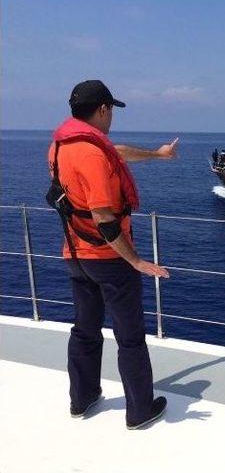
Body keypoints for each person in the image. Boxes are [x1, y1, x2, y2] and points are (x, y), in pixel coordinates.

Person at [47, 80, 177, 430]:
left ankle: (82, 399)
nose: (111, 118)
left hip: (75, 255)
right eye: (111, 110)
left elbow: (116, 151)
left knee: (85, 330)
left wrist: (158, 155)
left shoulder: (63, 145)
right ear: (103, 109)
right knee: (130, 337)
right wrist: (135, 260)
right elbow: (105, 219)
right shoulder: (92, 154)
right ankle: (139, 411)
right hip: (109, 260)